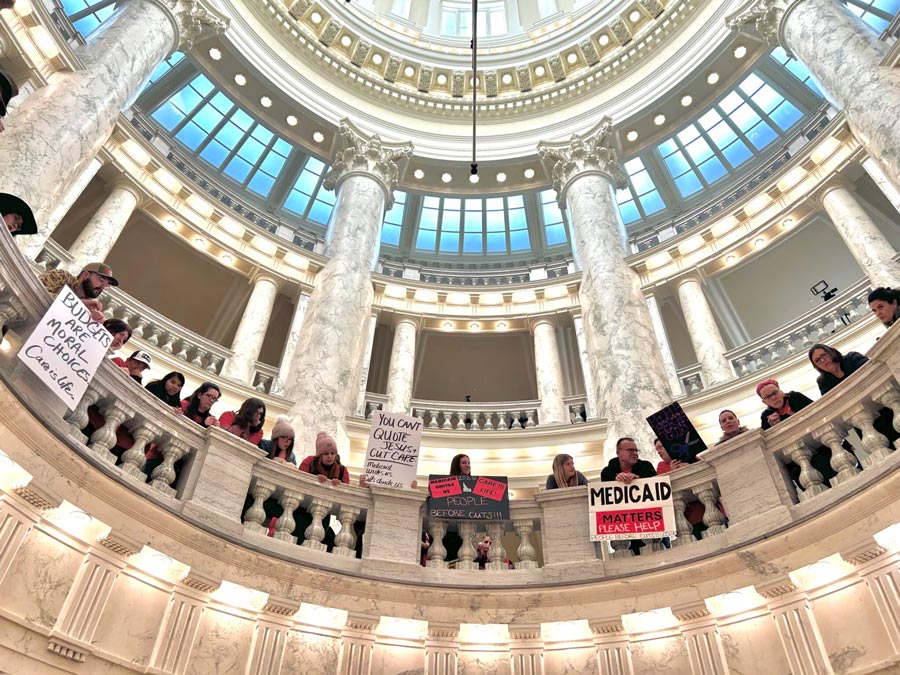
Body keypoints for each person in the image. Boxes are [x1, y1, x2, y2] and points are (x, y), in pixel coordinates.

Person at [809, 343, 899, 445]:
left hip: (886, 406)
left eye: (824, 355)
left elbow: (874, 373)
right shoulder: (823, 382)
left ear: (831, 352)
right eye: (817, 360)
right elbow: (833, 404)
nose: (822, 360)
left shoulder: (851, 358)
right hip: (865, 420)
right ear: (816, 366)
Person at [756, 378, 836, 486]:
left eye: (774, 393)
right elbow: (768, 439)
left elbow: (814, 413)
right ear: (764, 401)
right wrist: (772, 427)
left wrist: (783, 418)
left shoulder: (795, 397)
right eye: (768, 397)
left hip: (819, 444)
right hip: (796, 456)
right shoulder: (766, 416)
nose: (773, 398)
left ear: (780, 391)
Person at [601, 437, 656, 555]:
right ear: (618, 452)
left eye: (636, 450)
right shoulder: (607, 472)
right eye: (630, 450)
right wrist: (615, 481)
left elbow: (656, 488)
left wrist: (638, 480)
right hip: (625, 527)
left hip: (649, 523)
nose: (635, 453)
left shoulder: (646, 466)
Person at [654, 438, 707, 540]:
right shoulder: (661, 466)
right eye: (657, 450)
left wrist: (689, 467)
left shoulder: (692, 458)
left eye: (661, 447)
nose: (659, 451)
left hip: (706, 507)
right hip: (687, 517)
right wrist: (674, 472)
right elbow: (663, 488)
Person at [38, 261, 118, 323]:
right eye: (101, 280)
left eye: (106, 286)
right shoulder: (62, 276)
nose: (103, 287)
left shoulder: (91, 309)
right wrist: (77, 304)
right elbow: (37, 292)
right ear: (85, 275)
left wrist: (97, 323)